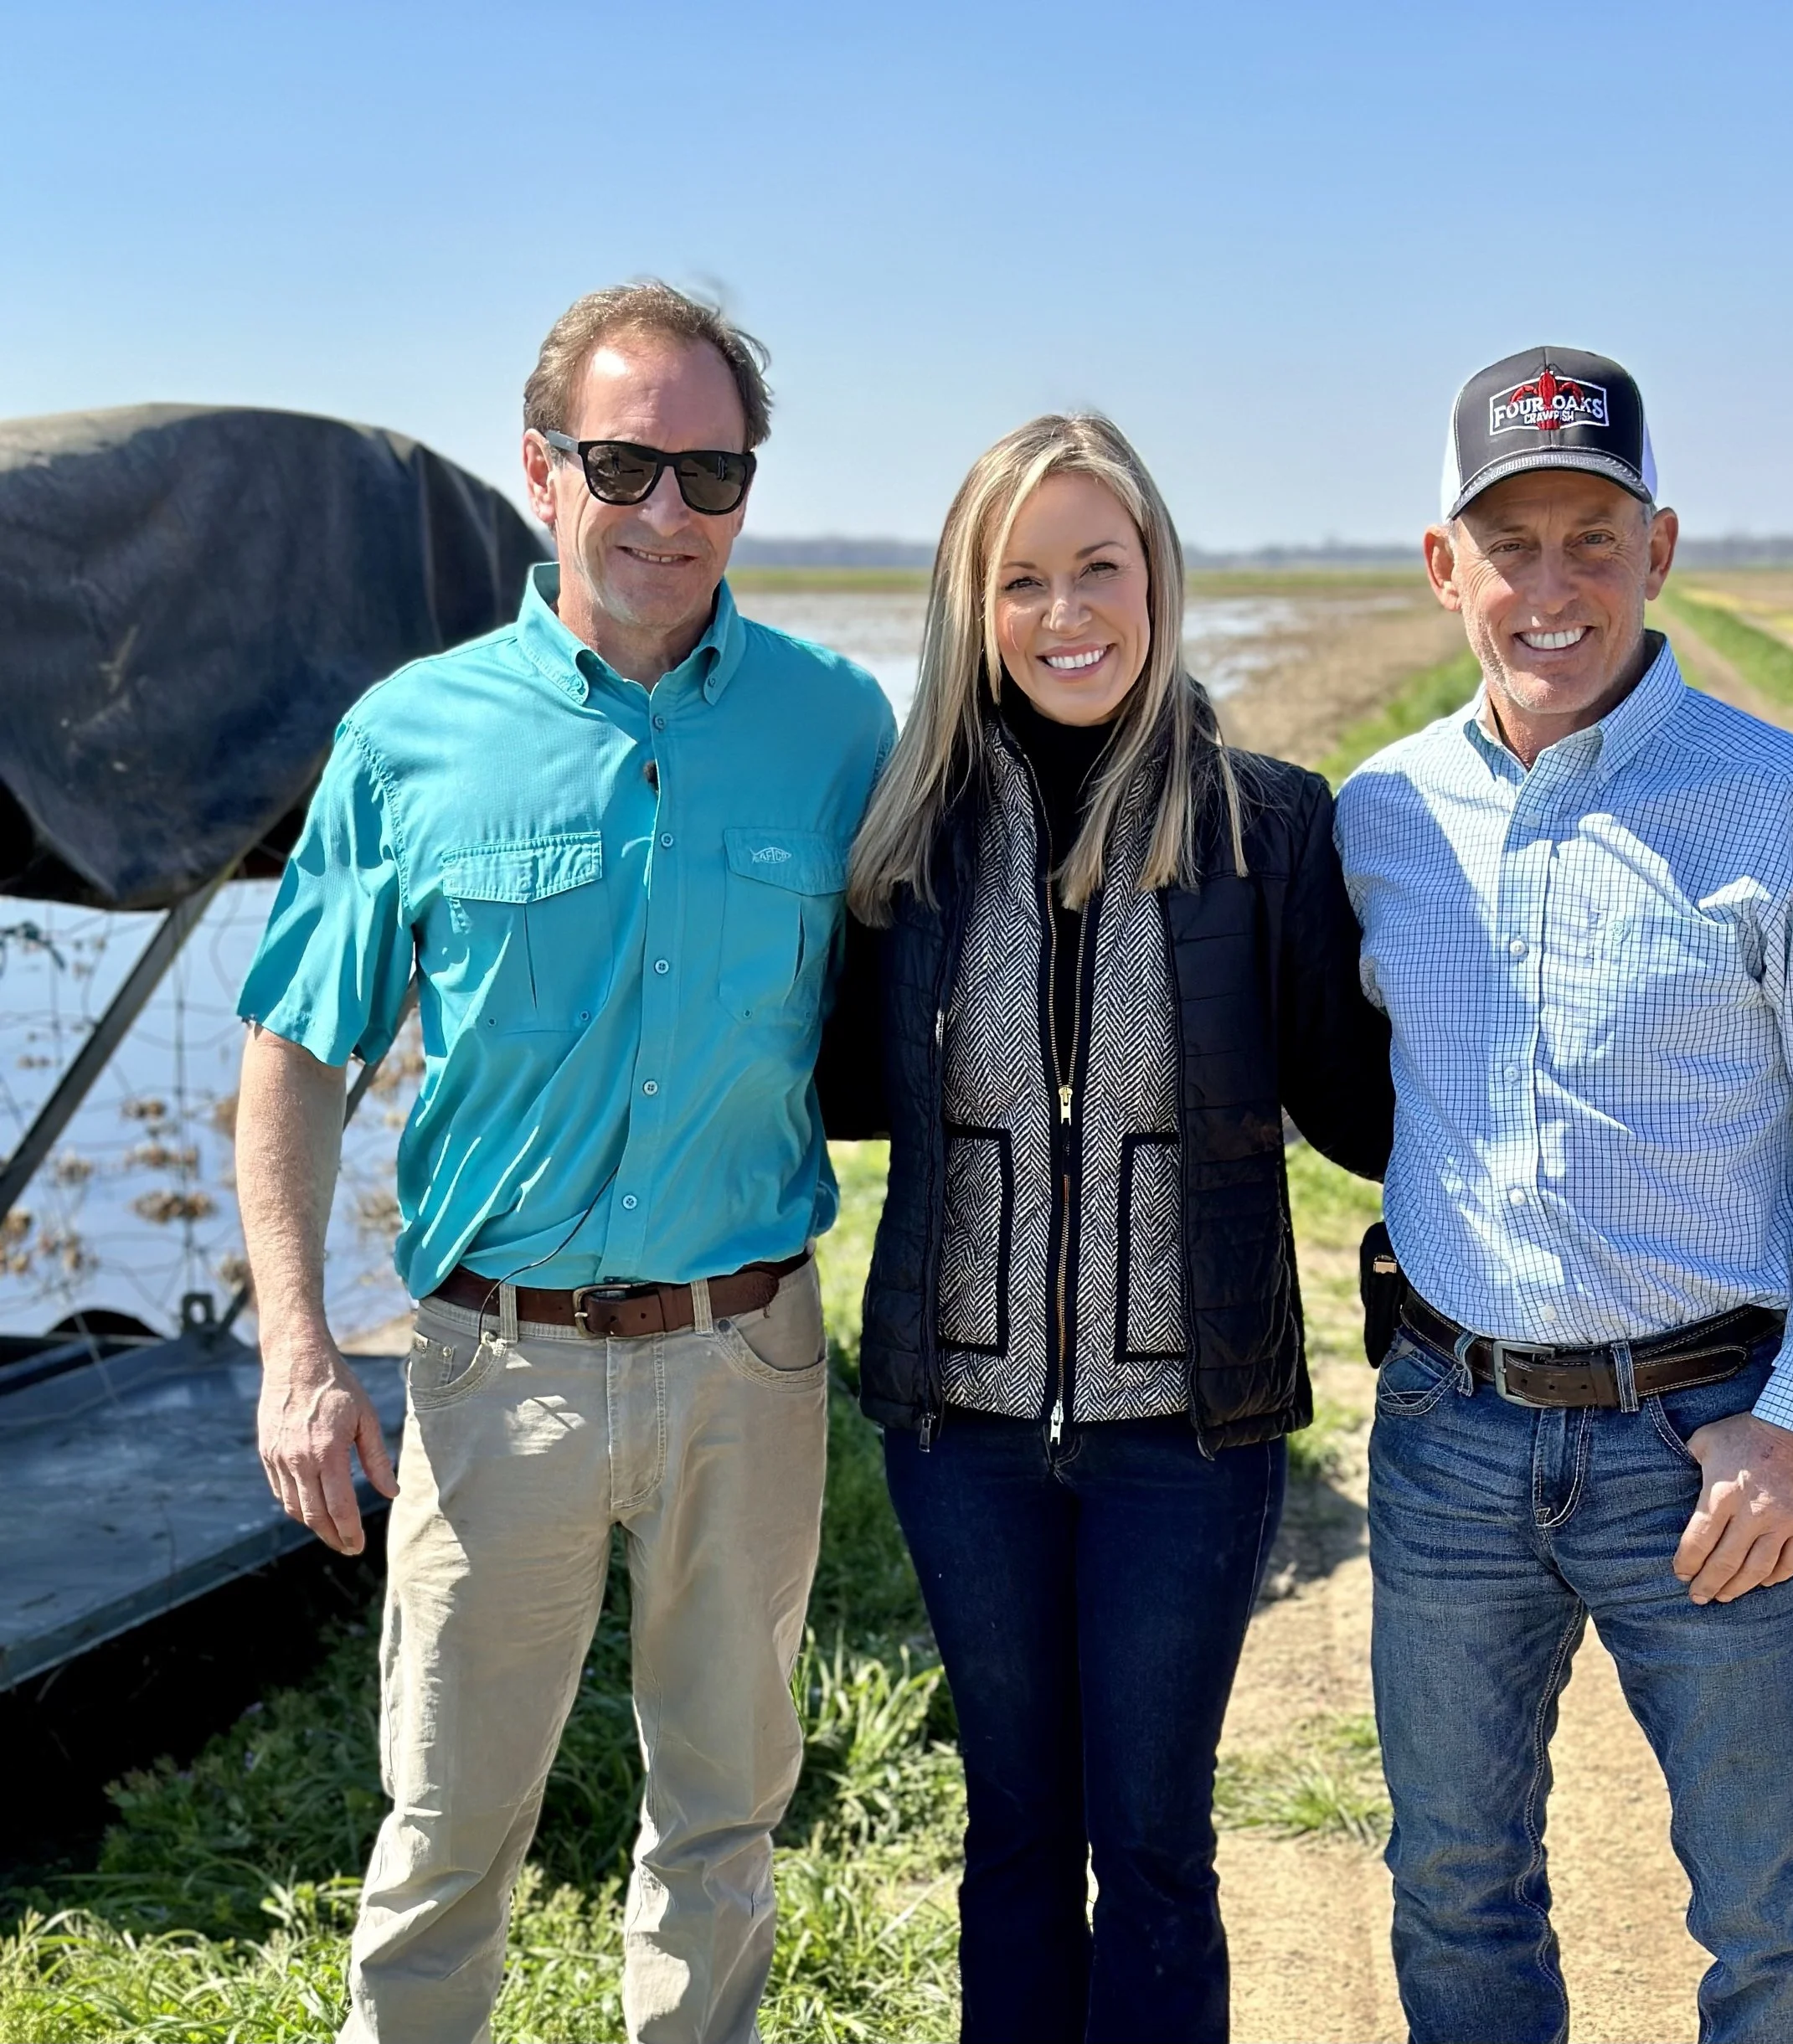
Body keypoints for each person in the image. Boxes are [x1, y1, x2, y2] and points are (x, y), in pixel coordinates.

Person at [234, 281, 894, 2044]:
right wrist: (301, 1353)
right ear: (543, 471)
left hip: (745, 1357)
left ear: (749, 487)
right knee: (450, 1826)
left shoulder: (841, 732)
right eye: (624, 461)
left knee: (725, 1817)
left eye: (710, 468)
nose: (667, 509)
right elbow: (293, 1058)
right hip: (489, 1366)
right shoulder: (411, 739)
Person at [1336, 346, 1793, 2043]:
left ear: (1658, 547)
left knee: (1767, 1918)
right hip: (1449, 1438)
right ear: (1441, 565)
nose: (1551, 589)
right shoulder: (1378, 815)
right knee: (1453, 1888)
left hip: (1704, 1450)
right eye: (1509, 544)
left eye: (1589, 539)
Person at [819, 412, 1394, 2043]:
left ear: (1155, 579)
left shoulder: (1265, 827)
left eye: (1097, 566)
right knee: (1011, 1842)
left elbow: (1365, 1110)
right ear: (969, 604)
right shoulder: (905, 841)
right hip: (962, 1435)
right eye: (1022, 578)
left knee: (1149, 1850)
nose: (1065, 611)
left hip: (1185, 1442)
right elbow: (825, 1082)